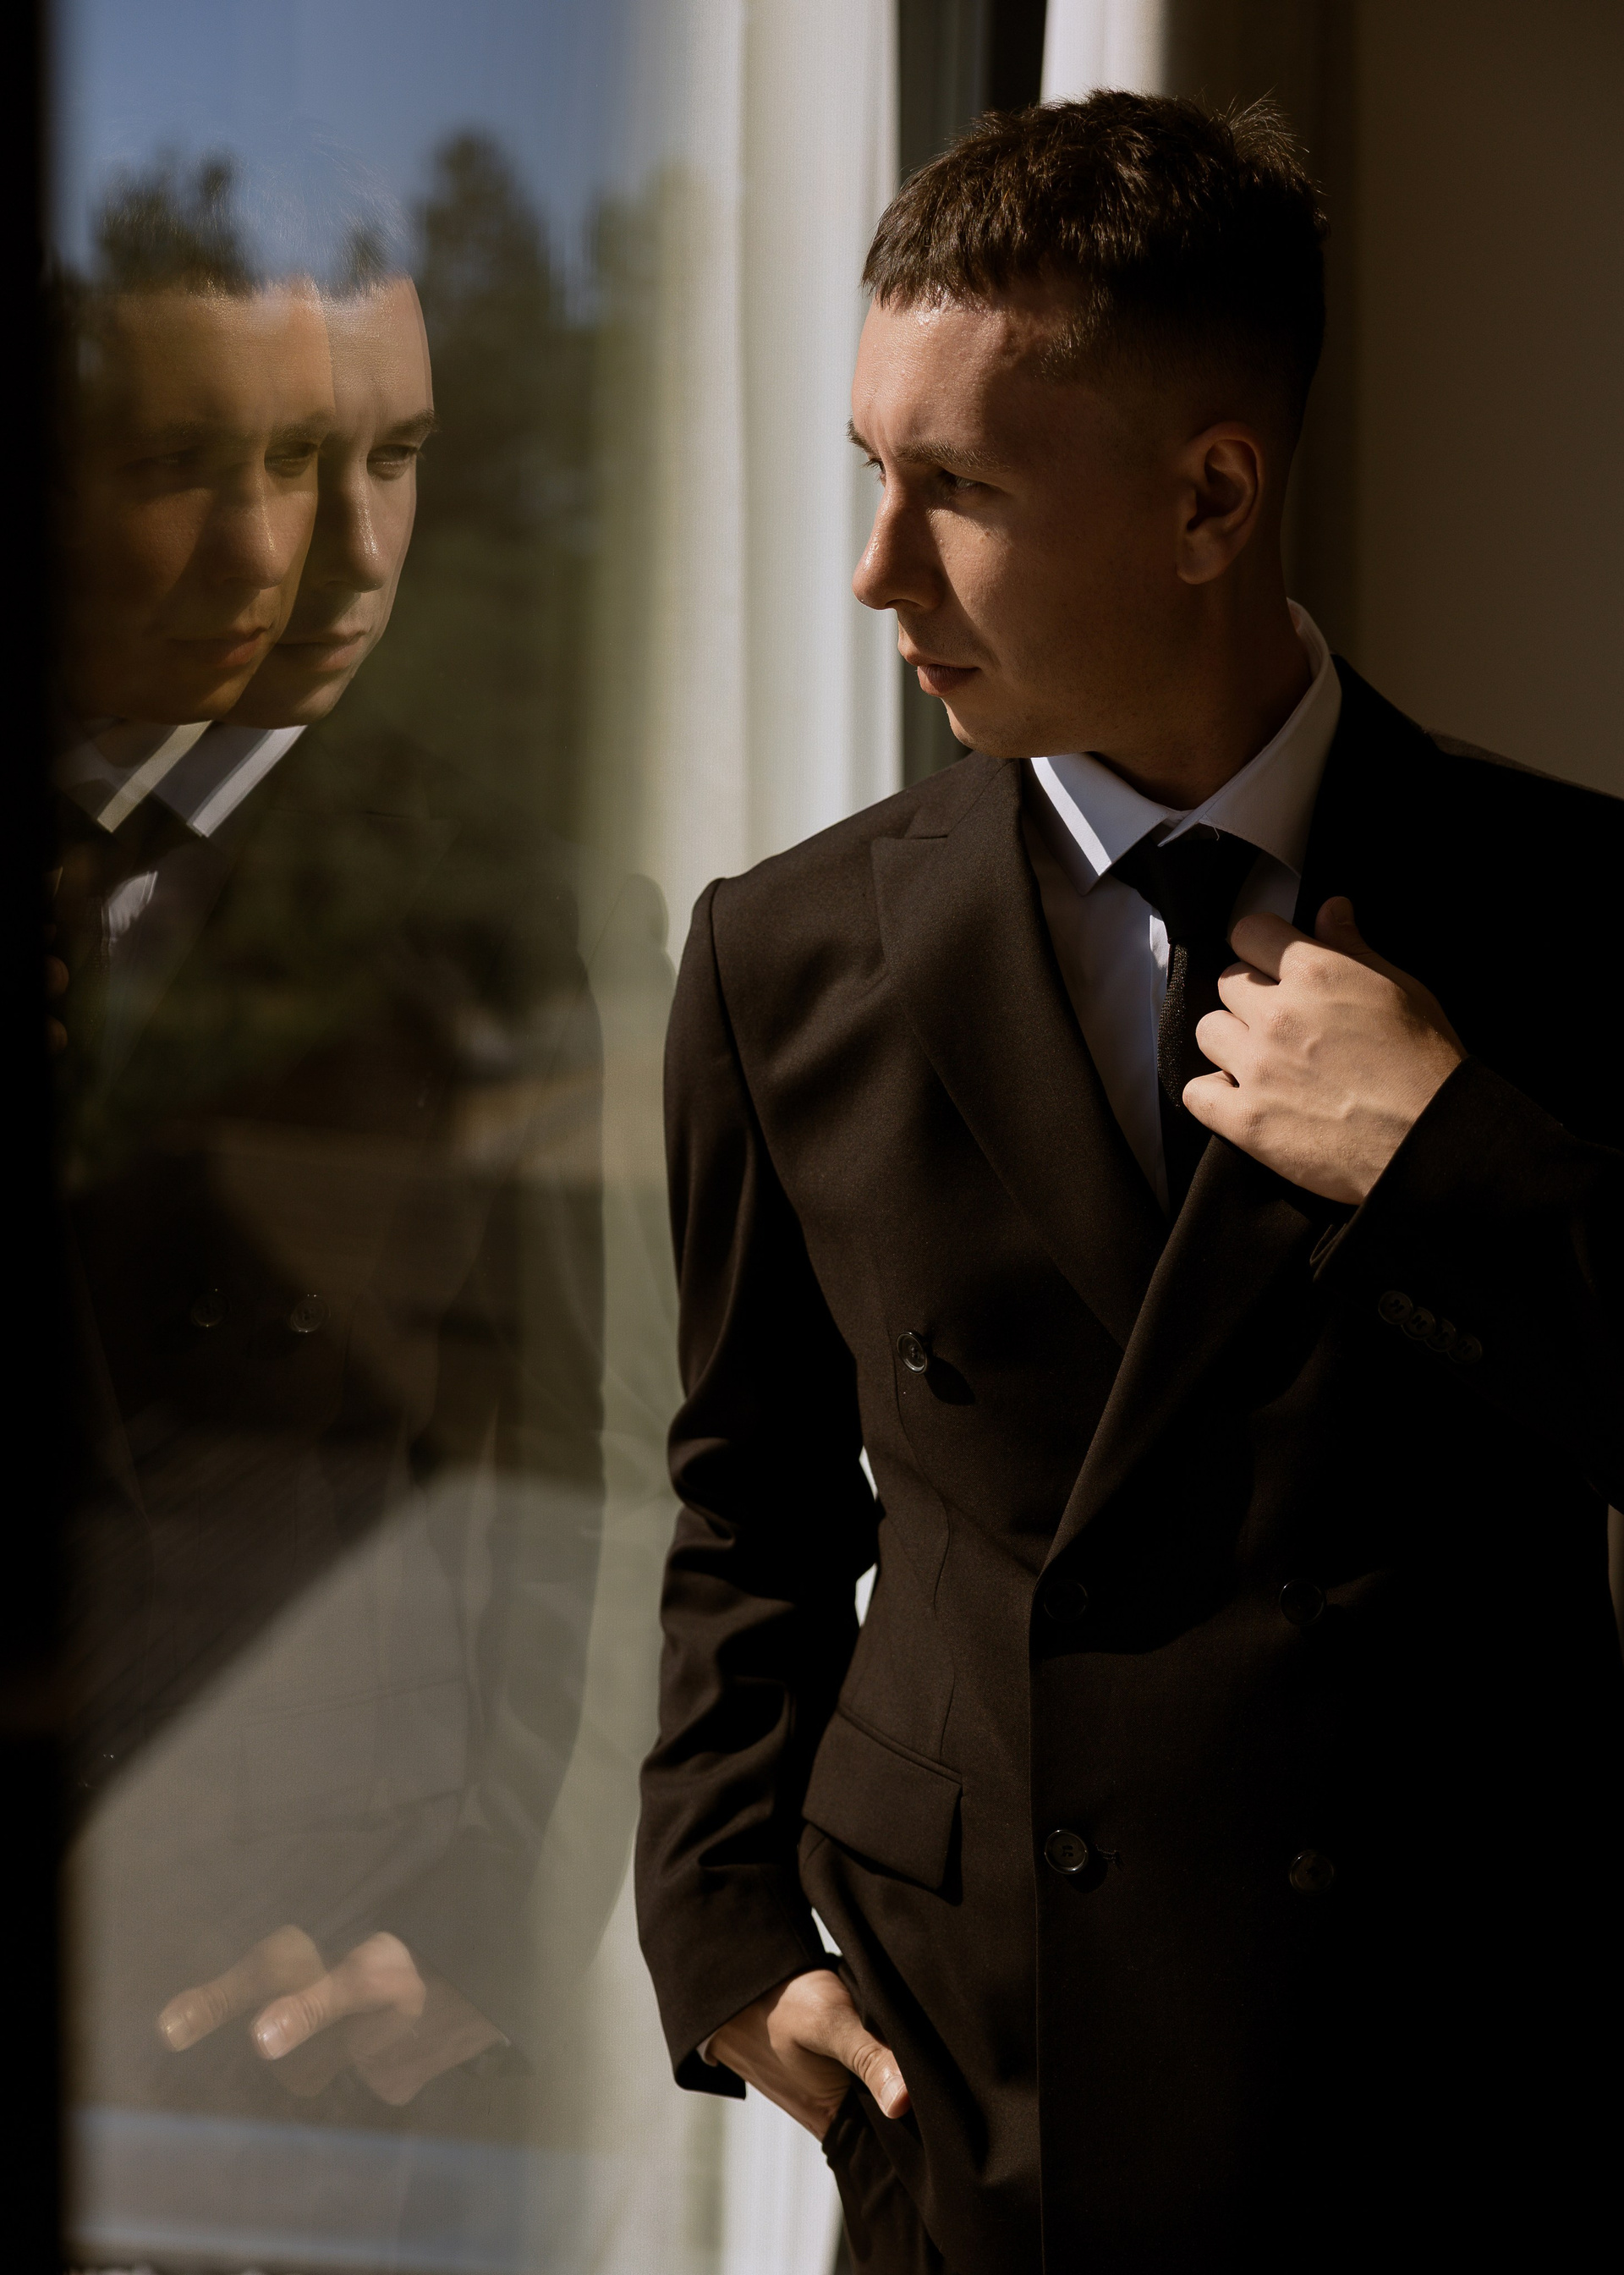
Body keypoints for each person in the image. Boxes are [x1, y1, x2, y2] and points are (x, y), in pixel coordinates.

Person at [636, 94, 1624, 2272]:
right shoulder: (783, 957)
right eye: (867, 470)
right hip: (983, 2099)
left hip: (1448, 2093)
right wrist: (717, 1921)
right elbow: (749, 1506)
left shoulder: (1584, 918)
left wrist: (1451, 1155)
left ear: (1210, 499)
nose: (877, 569)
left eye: (961, 490)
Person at [58, 242, 605, 2135]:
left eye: (394, 456)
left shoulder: (513, 914)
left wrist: (485, 1921)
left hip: (301, 1967)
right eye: (191, 463)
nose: (337, 554)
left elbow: (610, 1473)